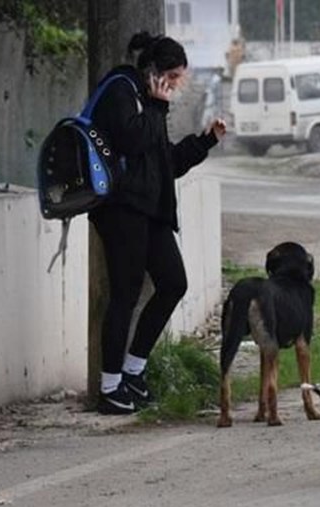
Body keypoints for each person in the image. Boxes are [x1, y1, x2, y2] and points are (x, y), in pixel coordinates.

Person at [89, 31, 226, 414]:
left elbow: (165, 163)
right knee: (124, 296)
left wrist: (205, 141)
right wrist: (158, 107)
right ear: (157, 73)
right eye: (176, 78)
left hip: (150, 212)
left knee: (173, 283)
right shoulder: (122, 90)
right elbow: (131, 141)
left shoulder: (149, 103)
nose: (178, 86)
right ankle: (110, 387)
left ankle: (134, 371)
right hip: (121, 209)